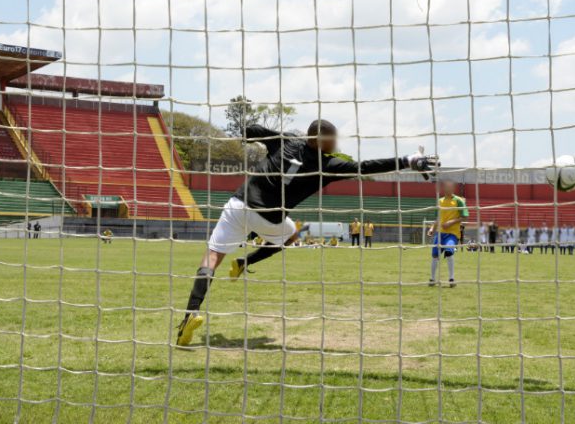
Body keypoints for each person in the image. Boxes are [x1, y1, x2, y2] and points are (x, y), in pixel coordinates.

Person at [175, 119, 435, 346]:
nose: (335, 144)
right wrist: (408, 160)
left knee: (211, 257)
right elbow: (365, 167)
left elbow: (251, 130)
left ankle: (192, 313)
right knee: (290, 236)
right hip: (271, 216)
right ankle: (245, 261)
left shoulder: (286, 140)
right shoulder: (328, 165)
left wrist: (249, 132)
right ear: (324, 141)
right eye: (333, 140)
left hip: (240, 203)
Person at [427, 180, 467, 288]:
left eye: (450, 186)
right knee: (435, 255)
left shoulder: (459, 201)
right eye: (446, 186)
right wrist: (432, 229)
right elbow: (437, 218)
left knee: (449, 253)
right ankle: (432, 279)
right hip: (440, 233)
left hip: (453, 234)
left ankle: (451, 278)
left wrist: (451, 222)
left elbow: (464, 216)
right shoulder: (439, 201)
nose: (447, 188)